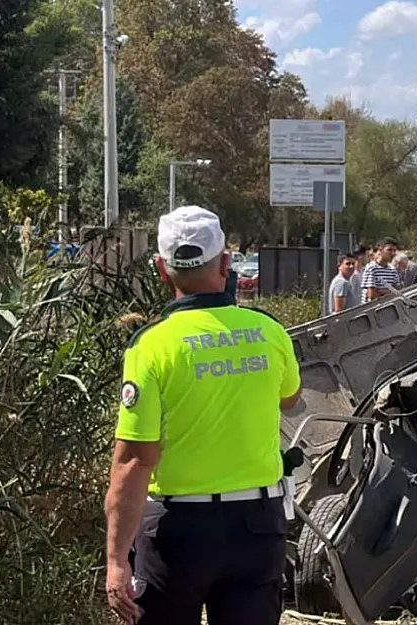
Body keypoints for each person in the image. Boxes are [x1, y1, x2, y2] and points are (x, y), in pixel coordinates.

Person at [104, 205, 300, 625]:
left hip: (179, 532)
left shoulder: (151, 346)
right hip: (258, 528)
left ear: (161, 268)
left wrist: (117, 559)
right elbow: (290, 399)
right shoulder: (269, 331)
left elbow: (135, 459)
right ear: (226, 263)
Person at [360, 238, 401, 304]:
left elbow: (397, 292)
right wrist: (389, 293)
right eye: (389, 250)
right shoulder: (371, 268)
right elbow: (371, 295)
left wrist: (380, 292)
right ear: (380, 249)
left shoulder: (393, 270)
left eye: (394, 251)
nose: (392, 253)